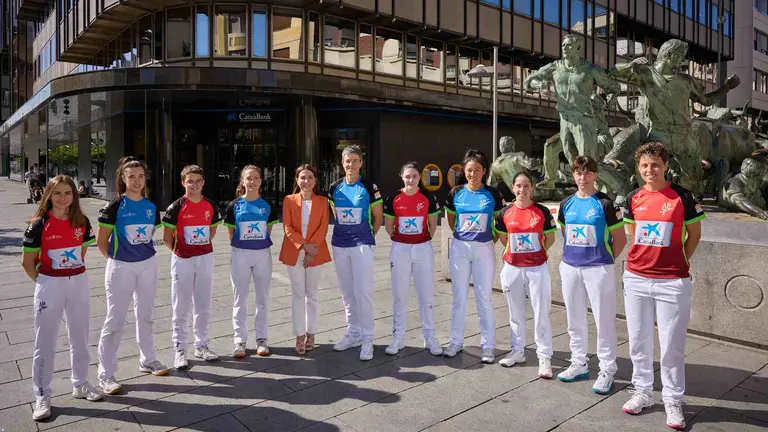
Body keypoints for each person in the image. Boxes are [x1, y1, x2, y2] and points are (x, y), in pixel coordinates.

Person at [621, 142, 705, 430]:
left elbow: (695, 236)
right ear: (638, 168)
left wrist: (679, 260)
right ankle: (642, 392)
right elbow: (633, 234)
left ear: (665, 166)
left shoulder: (683, 197)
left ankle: (672, 399)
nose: (650, 170)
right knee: (638, 340)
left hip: (672, 281)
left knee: (671, 345)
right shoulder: (633, 197)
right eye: (644, 165)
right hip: (636, 278)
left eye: (655, 164)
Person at [21, 175, 103, 421]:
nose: (63, 198)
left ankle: (80, 383)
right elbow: (27, 263)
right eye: (57, 193)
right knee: (45, 341)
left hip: (78, 282)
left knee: (80, 336)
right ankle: (42, 394)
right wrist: (45, 282)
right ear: (48, 195)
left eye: (68, 193)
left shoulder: (82, 221)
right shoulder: (38, 225)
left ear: (74, 196)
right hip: (49, 284)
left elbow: (81, 253)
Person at [95, 159, 168, 396]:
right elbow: (101, 241)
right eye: (131, 176)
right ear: (123, 179)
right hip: (121, 267)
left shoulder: (151, 207)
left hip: (147, 265)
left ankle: (148, 360)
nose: (137, 181)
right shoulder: (114, 206)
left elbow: (148, 236)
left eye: (140, 176)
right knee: (115, 321)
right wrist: (119, 260)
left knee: (146, 315)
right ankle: (106, 374)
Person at [555, 156, 626, 394]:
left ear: (595, 175)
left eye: (587, 173)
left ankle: (607, 369)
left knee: (603, 321)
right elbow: (565, 233)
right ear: (573, 175)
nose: (582, 178)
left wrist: (603, 259)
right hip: (571, 267)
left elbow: (620, 239)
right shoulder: (566, 204)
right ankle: (579, 363)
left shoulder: (606, 204)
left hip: (598, 268)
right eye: (578, 173)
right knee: (574, 319)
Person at [494, 172, 557, 378]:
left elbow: (549, 238)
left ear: (532, 188)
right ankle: (517, 351)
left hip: (536, 269)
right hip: (512, 268)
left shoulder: (542, 211)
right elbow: (503, 238)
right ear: (513, 188)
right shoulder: (504, 212)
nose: (522, 190)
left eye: (526, 186)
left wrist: (536, 253)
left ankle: (544, 356)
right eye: (518, 186)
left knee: (541, 313)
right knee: (515, 313)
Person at [444, 149, 503, 363]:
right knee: (459, 298)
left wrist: (487, 241)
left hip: (484, 248)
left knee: (483, 298)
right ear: (464, 171)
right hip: (460, 248)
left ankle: (488, 346)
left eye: (477, 170)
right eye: (469, 170)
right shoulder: (455, 193)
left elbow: (499, 222)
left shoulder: (493, 194)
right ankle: (455, 341)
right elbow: (451, 220)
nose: (473, 174)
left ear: (484, 171)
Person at [162, 165, 222, 369]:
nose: (194, 185)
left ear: (203, 183)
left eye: (198, 181)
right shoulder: (176, 207)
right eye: (190, 181)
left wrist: (199, 248)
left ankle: (202, 345)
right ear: (183, 183)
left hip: (205, 258)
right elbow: (166, 238)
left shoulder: (210, 205)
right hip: (182, 260)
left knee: (203, 304)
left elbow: (211, 231)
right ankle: (180, 349)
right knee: (181, 306)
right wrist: (182, 252)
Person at [328, 145, 383, 361]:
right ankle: (353, 333)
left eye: (355, 160)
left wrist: (367, 237)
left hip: (362, 245)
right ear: (342, 163)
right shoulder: (334, 187)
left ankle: (368, 338)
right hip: (340, 244)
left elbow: (378, 217)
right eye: (347, 161)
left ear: (361, 163)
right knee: (347, 292)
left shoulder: (369, 186)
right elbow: (337, 216)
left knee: (363, 291)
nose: (351, 164)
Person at [382, 162, 444, 356]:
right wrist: (402, 241)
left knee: (426, 296)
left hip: (423, 249)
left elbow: (432, 225)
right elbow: (389, 226)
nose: (411, 180)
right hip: (400, 249)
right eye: (407, 176)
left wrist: (420, 240)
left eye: (414, 176)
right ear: (401, 176)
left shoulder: (428, 197)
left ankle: (429, 337)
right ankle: (398, 338)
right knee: (400, 295)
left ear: (420, 177)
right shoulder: (393, 198)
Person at [224, 165, 279, 358]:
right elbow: (231, 234)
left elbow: (268, 232)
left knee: (262, 298)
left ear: (261, 181)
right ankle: (239, 340)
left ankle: (261, 339)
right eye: (248, 178)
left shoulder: (268, 206)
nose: (252, 181)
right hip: (240, 254)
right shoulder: (234, 206)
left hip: (262, 254)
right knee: (240, 299)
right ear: (242, 181)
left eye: (256, 177)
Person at [279, 164, 331, 355]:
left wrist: (311, 251)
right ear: (297, 180)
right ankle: (299, 335)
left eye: (310, 177)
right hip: (294, 251)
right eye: (302, 177)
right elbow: (287, 227)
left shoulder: (323, 201)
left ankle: (311, 333)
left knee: (312, 294)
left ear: (315, 181)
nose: (306, 181)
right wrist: (304, 246)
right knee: (298, 294)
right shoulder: (289, 200)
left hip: (316, 252)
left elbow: (323, 227)